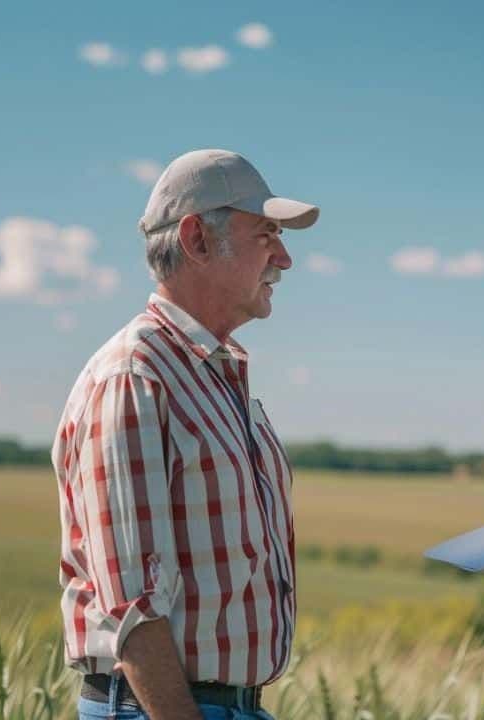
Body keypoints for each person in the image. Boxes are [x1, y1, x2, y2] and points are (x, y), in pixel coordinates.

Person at [52, 149, 319, 720]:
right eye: (267, 234)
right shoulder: (136, 376)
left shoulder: (215, 373)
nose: (285, 259)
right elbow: (130, 608)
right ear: (197, 240)